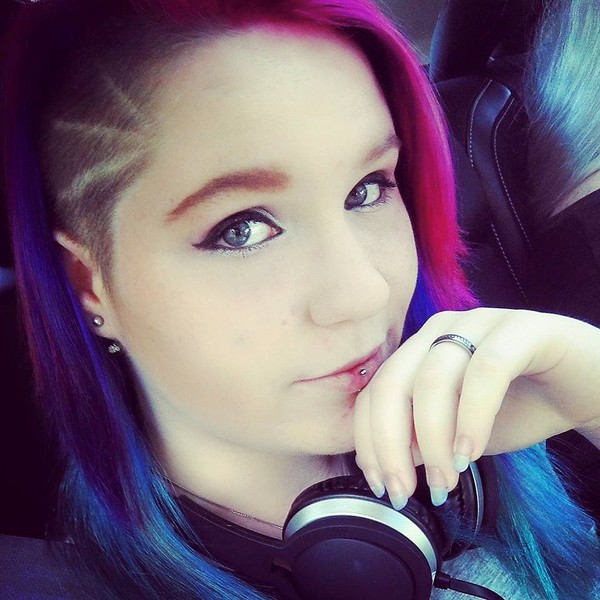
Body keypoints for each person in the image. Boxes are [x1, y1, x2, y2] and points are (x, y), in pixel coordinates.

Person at [1, 0, 599, 598]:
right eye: (241, 229)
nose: (365, 292)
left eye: (368, 189)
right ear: (89, 285)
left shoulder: (510, 417)